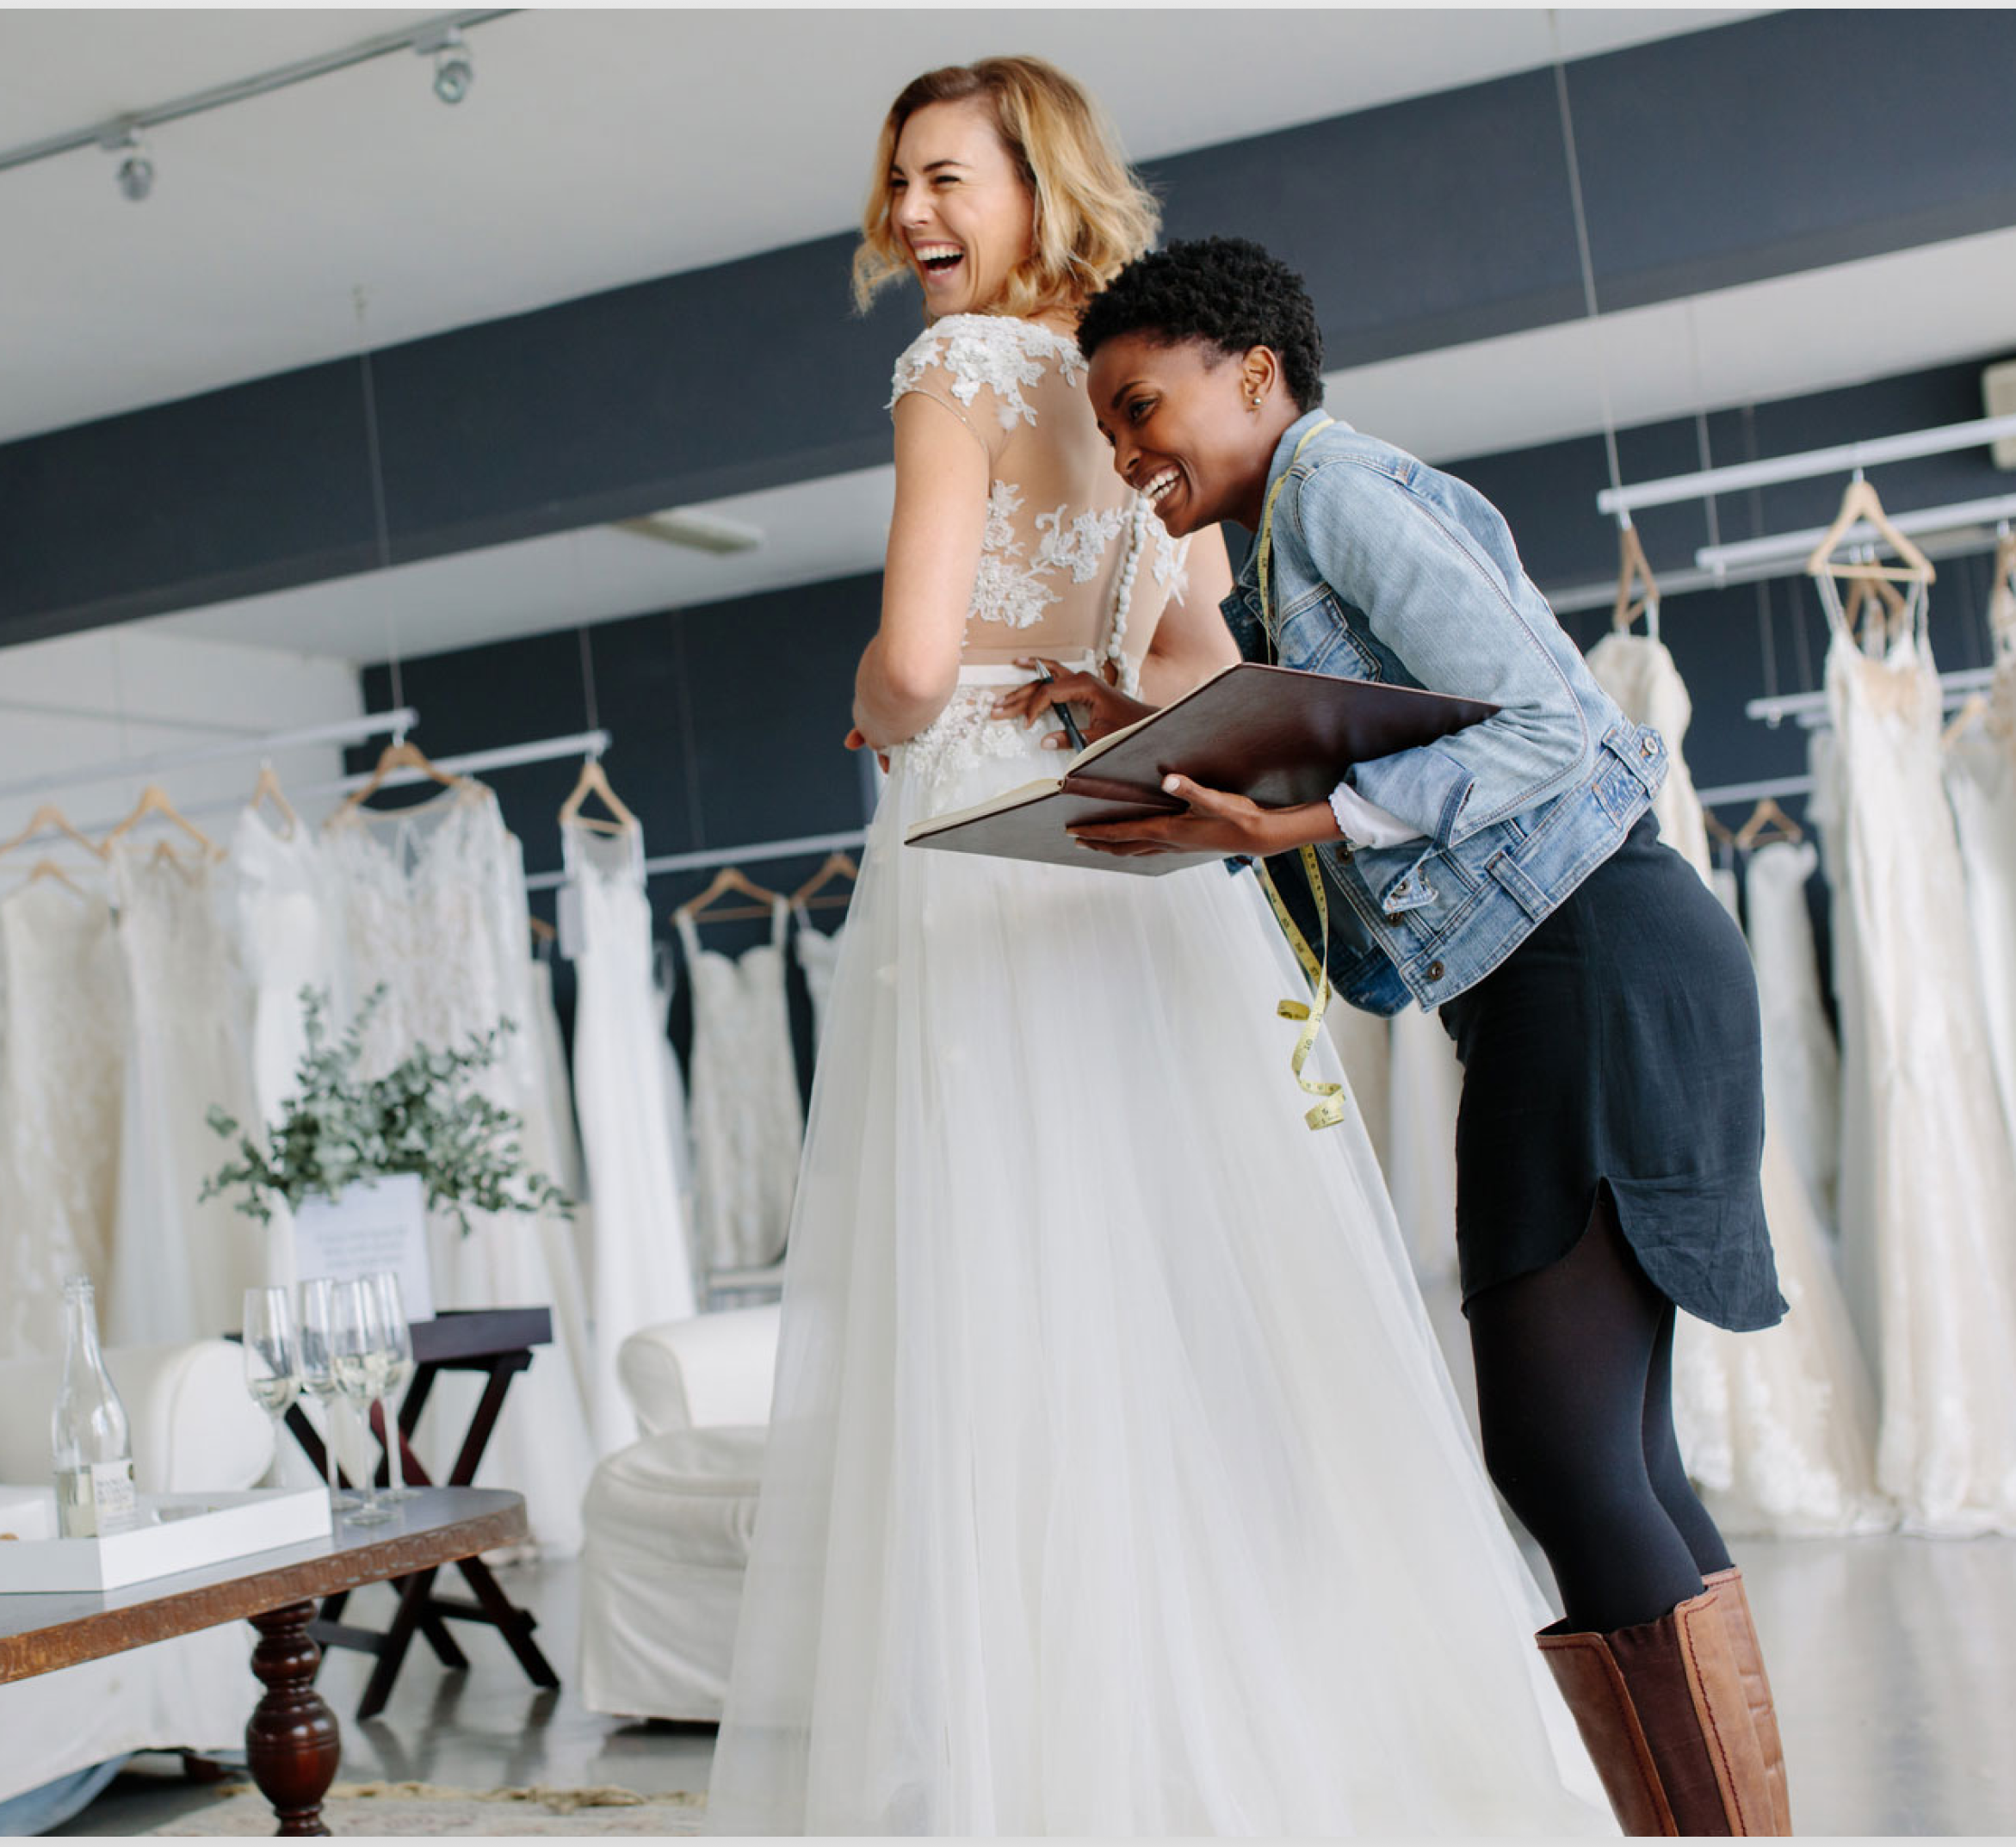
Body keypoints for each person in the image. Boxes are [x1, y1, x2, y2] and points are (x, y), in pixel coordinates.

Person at [705, 59, 1611, 1836]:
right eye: (897, 185)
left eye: (946, 180)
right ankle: (1275, 1728)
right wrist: (1101, 701)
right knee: (1202, 1296)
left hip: (979, 842)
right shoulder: (1137, 392)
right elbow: (1203, 661)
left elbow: (907, 657)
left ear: (1038, 181)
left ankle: (1055, 1763)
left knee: (1001, 1299)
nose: (910, 220)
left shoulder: (954, 374)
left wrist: (881, 701)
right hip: (1134, 842)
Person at [1065, 234, 1792, 1837]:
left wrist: (1308, 815)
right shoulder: (1277, 554)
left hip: (1590, 960)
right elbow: (1376, 755)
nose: (1126, 457)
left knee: (1561, 1455)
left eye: (1141, 409)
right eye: (1106, 431)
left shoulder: (1333, 491)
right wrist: (1156, 752)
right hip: (1586, 967)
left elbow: (1560, 724)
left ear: (1253, 374)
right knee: (1615, 1458)